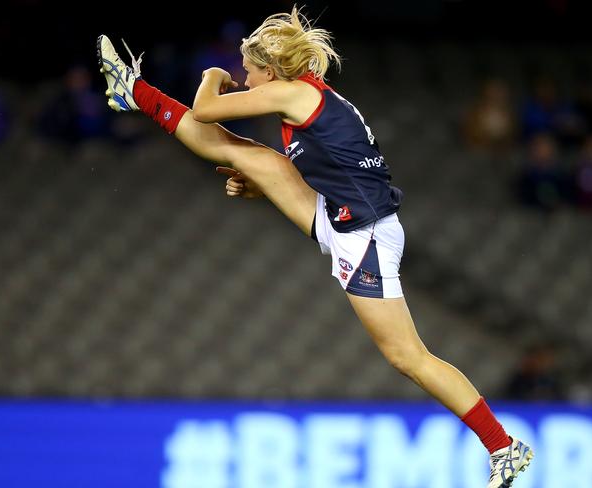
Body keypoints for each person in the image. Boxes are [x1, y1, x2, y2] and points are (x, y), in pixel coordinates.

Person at [97, 7, 532, 486]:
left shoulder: (291, 92)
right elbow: (332, 168)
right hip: (340, 216)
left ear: (271, 68)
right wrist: (266, 187)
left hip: (362, 236)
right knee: (244, 153)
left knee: (407, 357)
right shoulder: (303, 96)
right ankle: (135, 91)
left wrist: (212, 75)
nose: (243, 76)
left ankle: (503, 447)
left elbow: (204, 109)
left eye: (248, 67)